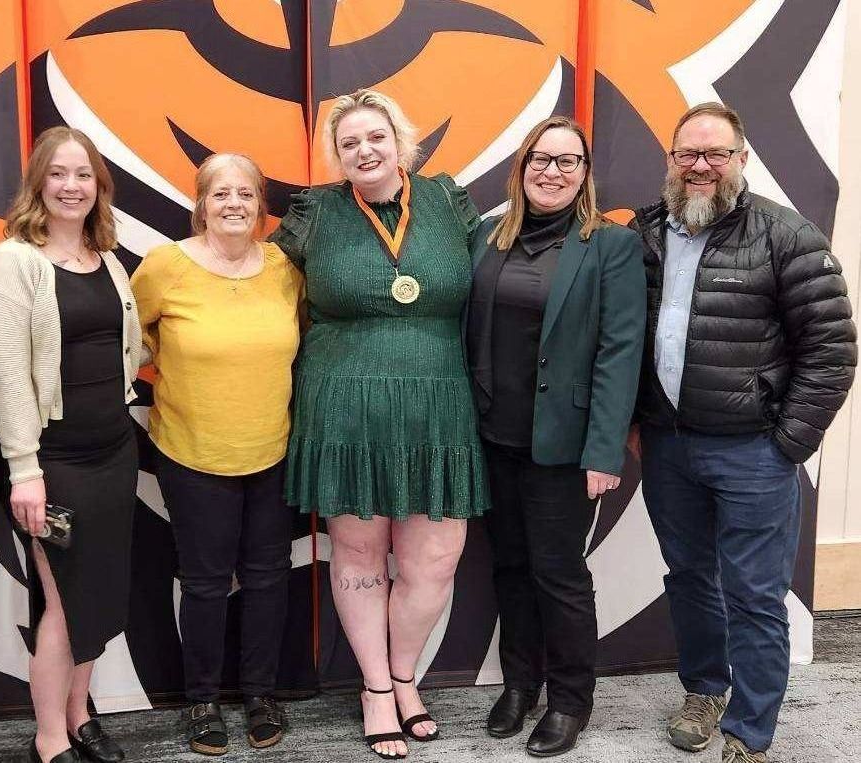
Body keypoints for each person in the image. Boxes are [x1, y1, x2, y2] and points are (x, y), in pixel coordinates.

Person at [629, 102, 857, 763]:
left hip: (754, 452)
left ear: (741, 160)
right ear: (670, 160)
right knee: (690, 576)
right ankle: (705, 689)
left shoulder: (788, 236)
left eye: (715, 153)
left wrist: (785, 443)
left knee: (755, 593)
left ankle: (750, 734)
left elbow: (833, 350)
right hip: (668, 447)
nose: (700, 166)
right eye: (687, 154)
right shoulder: (645, 236)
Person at [272, 89, 488, 760]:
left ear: (402, 141)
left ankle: (405, 677)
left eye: (376, 137)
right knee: (360, 553)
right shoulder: (314, 213)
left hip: (439, 402)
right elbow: (265, 290)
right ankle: (375, 689)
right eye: (349, 143)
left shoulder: (449, 201)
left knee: (434, 558)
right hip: (346, 402)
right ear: (337, 155)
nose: (364, 150)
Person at [464, 116, 646, 757]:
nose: (553, 170)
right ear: (522, 165)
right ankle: (520, 684)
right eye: (542, 158)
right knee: (509, 567)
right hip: (494, 436)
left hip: (564, 445)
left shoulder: (612, 246)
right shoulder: (489, 236)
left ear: (585, 175)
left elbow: (621, 352)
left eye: (569, 161)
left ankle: (570, 699)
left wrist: (604, 451)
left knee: (558, 574)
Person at [0, 126, 143, 763]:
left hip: (113, 452)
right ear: (38, 183)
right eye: (59, 174)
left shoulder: (108, 257)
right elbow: (10, 375)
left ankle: (80, 716)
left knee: (95, 593)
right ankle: (49, 737)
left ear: (99, 187)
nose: (71, 187)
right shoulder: (12, 263)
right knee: (65, 599)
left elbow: (125, 348)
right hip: (53, 461)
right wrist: (24, 470)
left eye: (83, 176)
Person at [131, 152, 303, 756]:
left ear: (261, 207)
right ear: (200, 203)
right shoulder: (165, 267)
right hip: (192, 452)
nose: (234, 203)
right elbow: (135, 342)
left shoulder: (284, 268)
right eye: (221, 193)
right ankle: (201, 699)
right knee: (204, 584)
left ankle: (260, 693)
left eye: (247, 194)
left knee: (268, 579)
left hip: (272, 450)